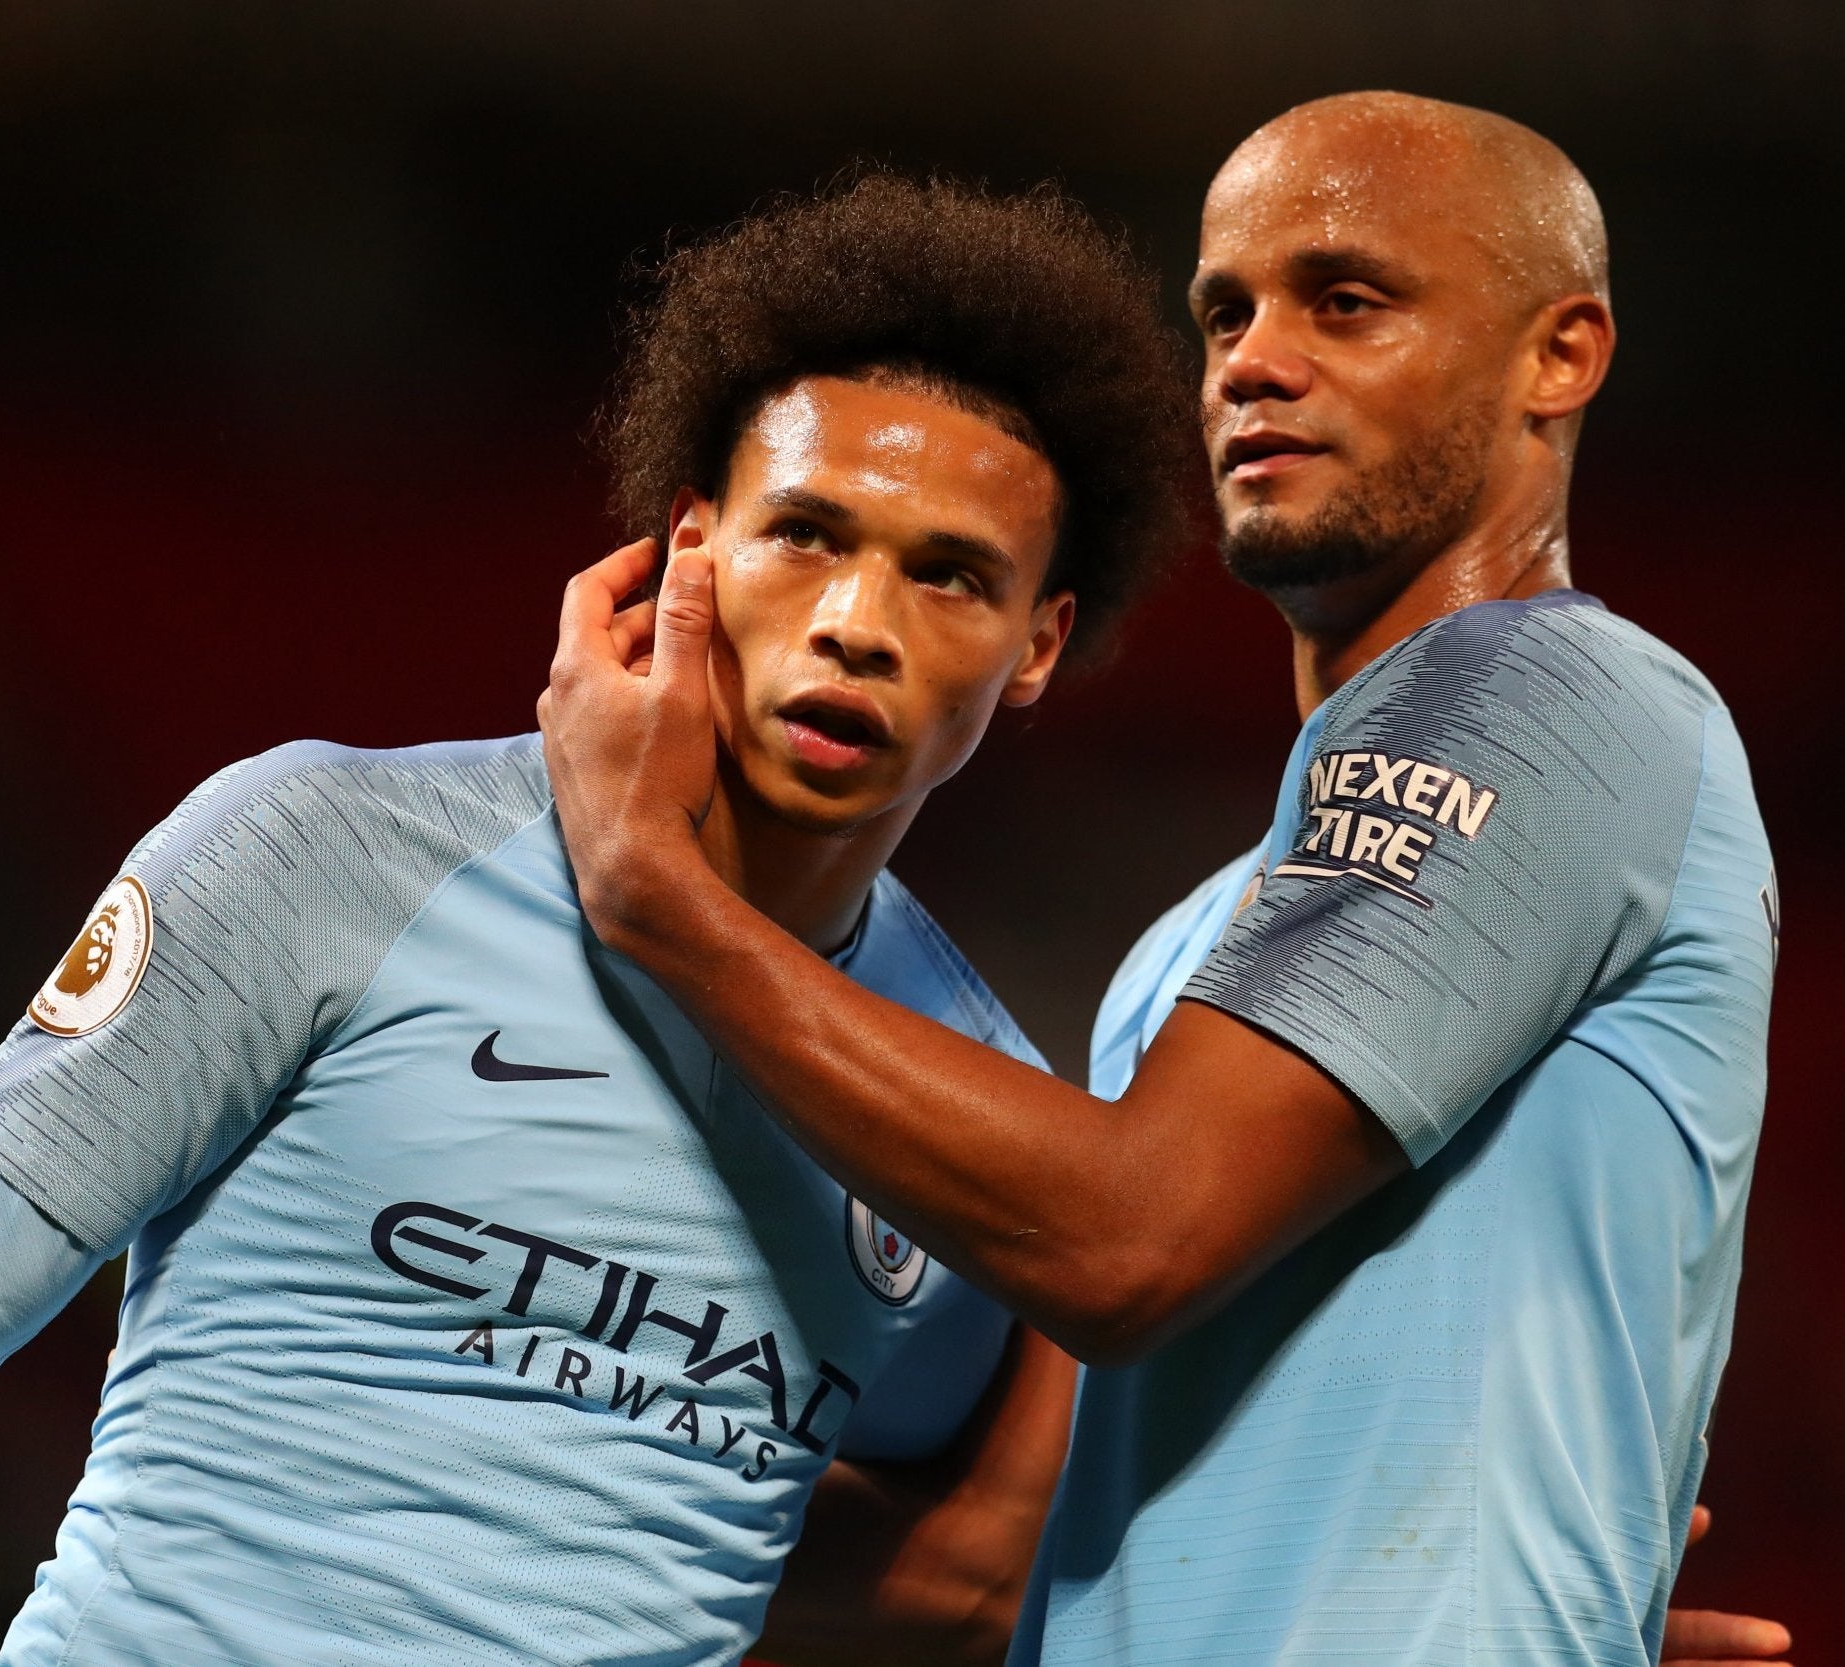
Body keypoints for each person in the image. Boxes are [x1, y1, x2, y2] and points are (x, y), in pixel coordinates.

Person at [0, 176, 1191, 1666]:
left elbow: (972, 1567)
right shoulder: (320, 853)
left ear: (1038, 646)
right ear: (690, 546)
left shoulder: (970, 1113)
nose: (856, 623)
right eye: (809, 534)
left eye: (950, 576)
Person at [541, 93, 1784, 1664]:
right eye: (1223, 313)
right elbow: (986, 1568)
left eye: (1344, 301)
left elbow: (1125, 1241)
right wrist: (423, 1498)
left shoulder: (1552, 693)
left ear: (1560, 355)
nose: (1251, 362)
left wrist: (657, 893)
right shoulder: (1189, 951)